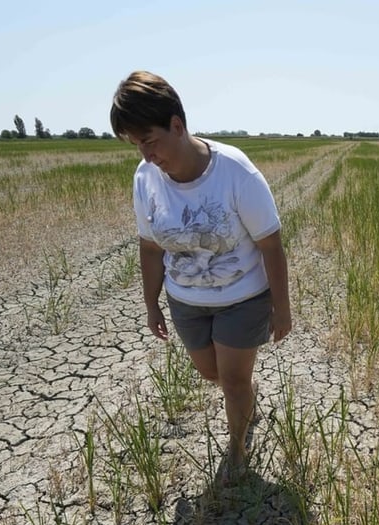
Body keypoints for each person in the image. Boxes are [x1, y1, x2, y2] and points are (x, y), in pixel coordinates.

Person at [110, 70, 292, 482]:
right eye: (136, 145)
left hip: (243, 297)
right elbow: (151, 247)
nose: (145, 154)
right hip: (187, 301)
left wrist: (282, 309)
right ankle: (246, 398)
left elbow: (270, 244)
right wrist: (151, 303)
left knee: (232, 380)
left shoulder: (235, 172)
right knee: (211, 374)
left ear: (177, 125)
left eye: (149, 141)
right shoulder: (145, 180)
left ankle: (237, 448)